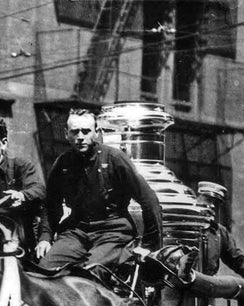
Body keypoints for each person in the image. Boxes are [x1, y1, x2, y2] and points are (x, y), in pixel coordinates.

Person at [40, 108, 163, 271]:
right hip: (76, 232)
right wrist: (45, 237)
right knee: (44, 269)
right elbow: (51, 205)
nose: (80, 137)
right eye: (75, 132)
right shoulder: (63, 163)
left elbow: (149, 201)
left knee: (90, 272)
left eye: (86, 131)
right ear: (66, 134)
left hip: (112, 232)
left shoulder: (115, 159)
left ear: (97, 132)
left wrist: (150, 245)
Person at [0, 115, 51, 260]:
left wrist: (22, 195)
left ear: (4, 143)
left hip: (19, 246)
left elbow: (39, 190)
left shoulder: (20, 166)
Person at [193, 181, 244, 290]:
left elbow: (237, 259)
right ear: (197, 200)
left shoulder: (219, 231)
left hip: (207, 290)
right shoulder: (184, 224)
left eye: (216, 203)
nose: (212, 206)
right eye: (208, 200)